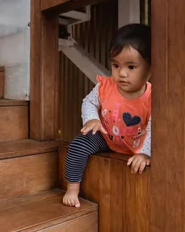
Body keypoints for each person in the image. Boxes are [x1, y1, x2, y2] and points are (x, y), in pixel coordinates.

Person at [63, 24, 152, 208]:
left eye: (131, 66)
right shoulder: (106, 86)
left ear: (150, 68)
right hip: (106, 135)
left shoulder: (153, 97)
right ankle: (72, 187)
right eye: (115, 65)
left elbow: (155, 126)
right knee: (78, 145)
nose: (122, 73)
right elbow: (89, 102)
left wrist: (145, 153)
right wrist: (92, 120)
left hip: (137, 144)